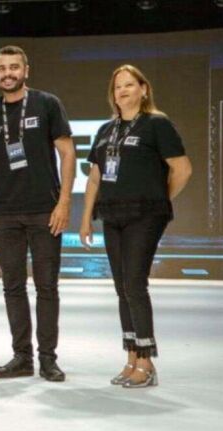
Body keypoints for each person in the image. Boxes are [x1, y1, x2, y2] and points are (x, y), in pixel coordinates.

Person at [79, 64, 192, 388]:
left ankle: (146, 361)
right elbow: (95, 177)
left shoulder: (157, 124)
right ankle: (131, 357)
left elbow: (182, 169)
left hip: (145, 215)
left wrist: (158, 199)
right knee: (121, 287)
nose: (123, 91)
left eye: (129, 85)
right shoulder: (106, 130)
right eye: (118, 87)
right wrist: (85, 218)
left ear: (143, 89)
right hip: (111, 214)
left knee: (134, 284)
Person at [0, 45, 76, 382]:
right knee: (12, 287)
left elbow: (68, 153)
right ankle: (22, 357)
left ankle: (48, 359)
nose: (8, 73)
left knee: (47, 287)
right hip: (4, 214)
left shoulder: (47, 104)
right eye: (2, 68)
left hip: (45, 210)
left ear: (26, 70)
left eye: (14, 67)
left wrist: (64, 203)